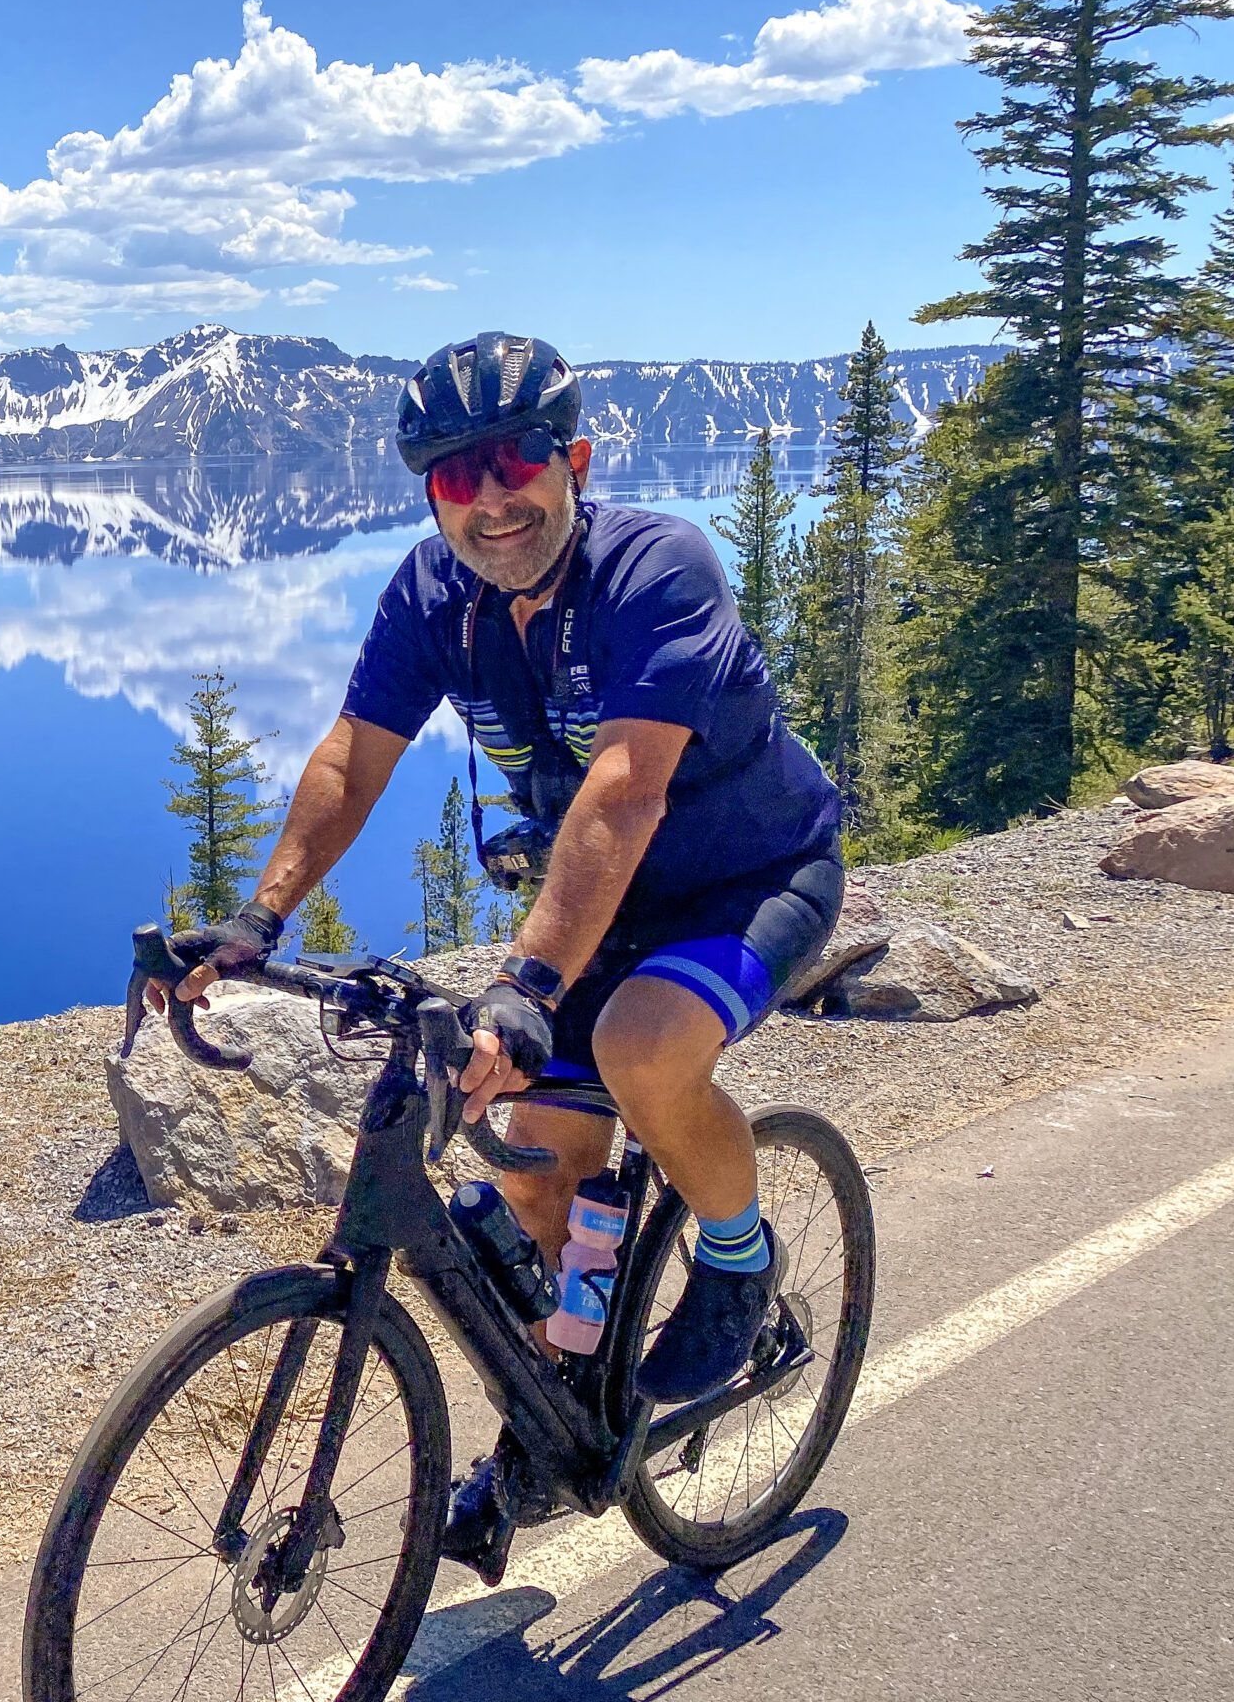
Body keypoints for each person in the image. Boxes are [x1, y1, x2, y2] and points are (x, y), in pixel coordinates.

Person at [154, 331, 843, 1582]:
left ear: (573, 459)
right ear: (431, 495)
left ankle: (737, 1263)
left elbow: (626, 790)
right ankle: (568, 1409)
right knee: (536, 1163)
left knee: (641, 1053)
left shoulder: (654, 570)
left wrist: (527, 986)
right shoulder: (430, 598)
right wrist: (256, 922)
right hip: (594, 912)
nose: (491, 496)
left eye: (517, 460)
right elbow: (351, 758)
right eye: (455, 477)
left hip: (744, 882)